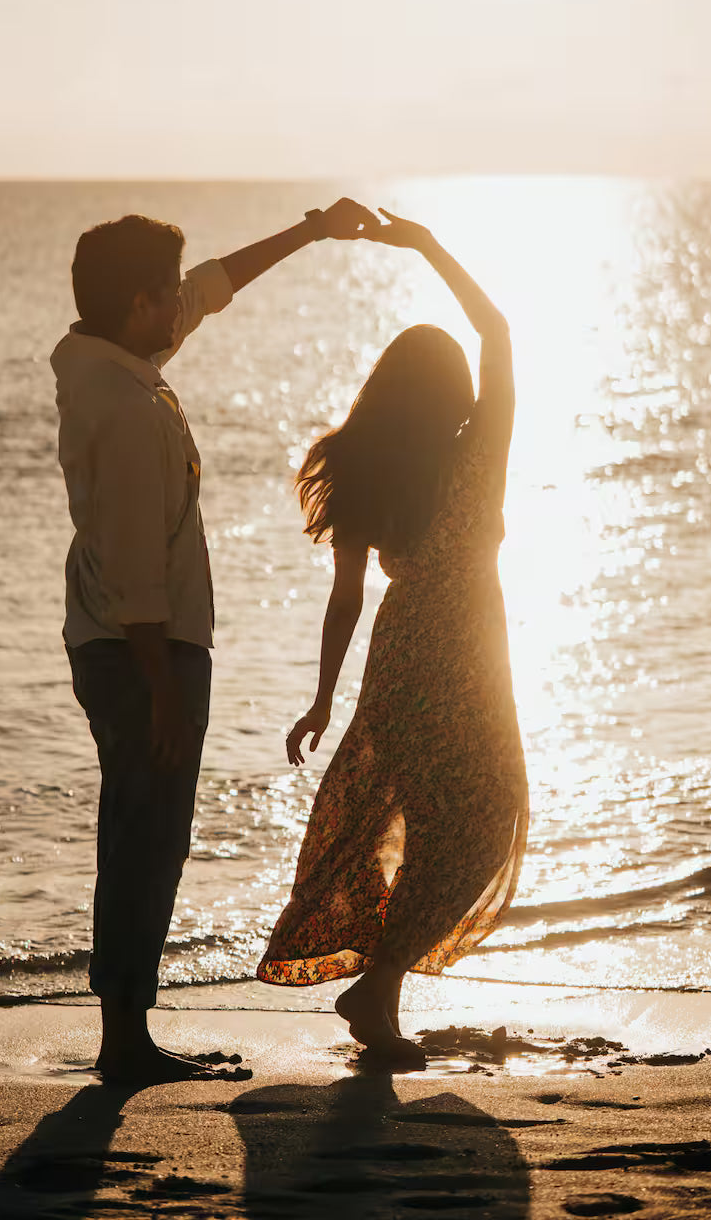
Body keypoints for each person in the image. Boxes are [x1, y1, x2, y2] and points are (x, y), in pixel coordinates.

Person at [51, 198, 377, 1084]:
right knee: (147, 841)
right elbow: (134, 567)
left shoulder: (119, 360)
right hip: (140, 653)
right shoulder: (123, 405)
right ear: (136, 306)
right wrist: (161, 688)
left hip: (131, 645)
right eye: (166, 293)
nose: (180, 303)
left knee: (143, 834)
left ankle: (127, 1030)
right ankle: (126, 1040)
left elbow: (210, 287)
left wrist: (311, 230)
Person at [257, 209, 529, 1068]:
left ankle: (379, 998)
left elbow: (346, 598)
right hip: (468, 656)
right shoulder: (479, 452)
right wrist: (426, 246)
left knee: (428, 826)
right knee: (480, 825)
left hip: (403, 654)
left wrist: (324, 699)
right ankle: (377, 988)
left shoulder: (370, 465)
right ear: (451, 394)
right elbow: (498, 328)